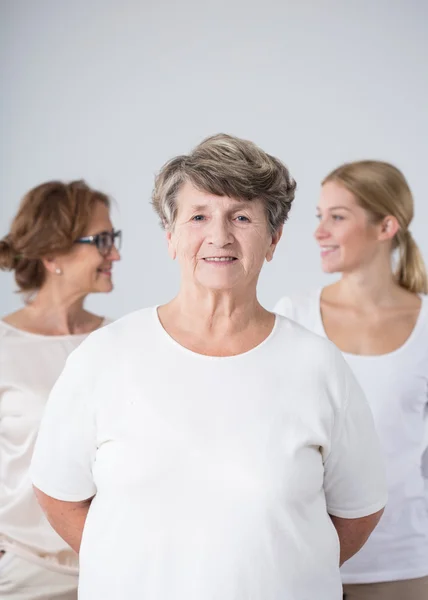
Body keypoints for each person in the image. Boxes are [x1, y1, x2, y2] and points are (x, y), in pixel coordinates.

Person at [31, 135, 386, 600]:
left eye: (241, 217)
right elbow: (58, 494)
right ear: (171, 236)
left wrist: (281, 569)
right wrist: (132, 567)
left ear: (274, 238)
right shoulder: (103, 357)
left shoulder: (318, 365)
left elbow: (358, 511)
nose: (219, 236)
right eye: (198, 216)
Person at [274, 160, 428, 600]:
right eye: (319, 216)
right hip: (303, 561)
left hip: (402, 562)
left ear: (387, 226)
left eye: (337, 217)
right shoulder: (293, 316)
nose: (319, 232)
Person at [0, 180, 121, 599]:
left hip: (113, 570)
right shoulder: (4, 346)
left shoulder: (119, 343)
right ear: (52, 254)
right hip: (25, 573)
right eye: (102, 241)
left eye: (113, 239)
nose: (116, 254)